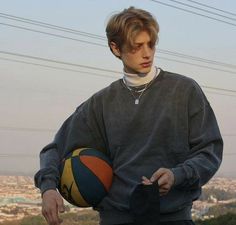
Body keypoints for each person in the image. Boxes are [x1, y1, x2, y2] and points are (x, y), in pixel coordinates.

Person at [34, 6, 223, 225]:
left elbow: (210, 151)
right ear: (116, 48)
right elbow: (54, 149)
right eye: (137, 46)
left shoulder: (185, 91)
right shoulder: (101, 103)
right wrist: (48, 188)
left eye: (151, 44)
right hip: (117, 217)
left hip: (173, 218)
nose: (147, 53)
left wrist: (177, 175)